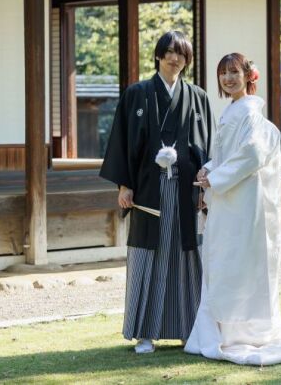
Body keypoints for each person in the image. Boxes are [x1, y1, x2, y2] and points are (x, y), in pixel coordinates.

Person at [184, 52, 281, 365]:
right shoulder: (234, 111)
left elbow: (252, 155)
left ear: (248, 76)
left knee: (238, 262)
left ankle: (242, 333)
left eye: (234, 72)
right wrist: (209, 170)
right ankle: (225, 330)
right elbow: (229, 155)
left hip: (243, 203)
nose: (228, 79)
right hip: (230, 199)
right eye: (223, 73)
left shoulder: (250, 114)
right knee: (226, 261)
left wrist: (215, 178)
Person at [100, 31, 214, 354]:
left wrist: (206, 184)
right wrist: (125, 184)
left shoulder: (198, 97)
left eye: (181, 54)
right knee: (147, 255)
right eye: (169, 52)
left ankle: (188, 329)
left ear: (187, 60)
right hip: (148, 189)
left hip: (186, 189)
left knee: (186, 257)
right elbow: (122, 141)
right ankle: (144, 333)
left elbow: (207, 145)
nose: (174, 59)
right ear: (158, 56)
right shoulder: (137, 94)